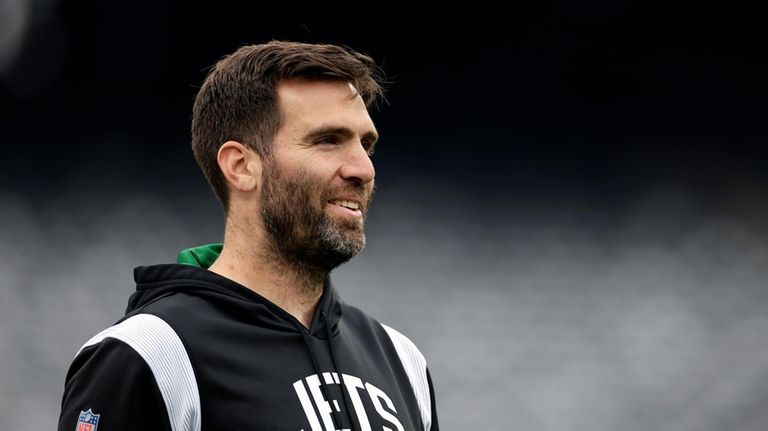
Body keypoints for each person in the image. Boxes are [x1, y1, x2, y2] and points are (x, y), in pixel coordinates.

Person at [57, 41, 439, 431]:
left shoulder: (401, 360)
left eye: (367, 144)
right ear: (241, 167)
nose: (364, 169)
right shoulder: (150, 355)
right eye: (328, 140)